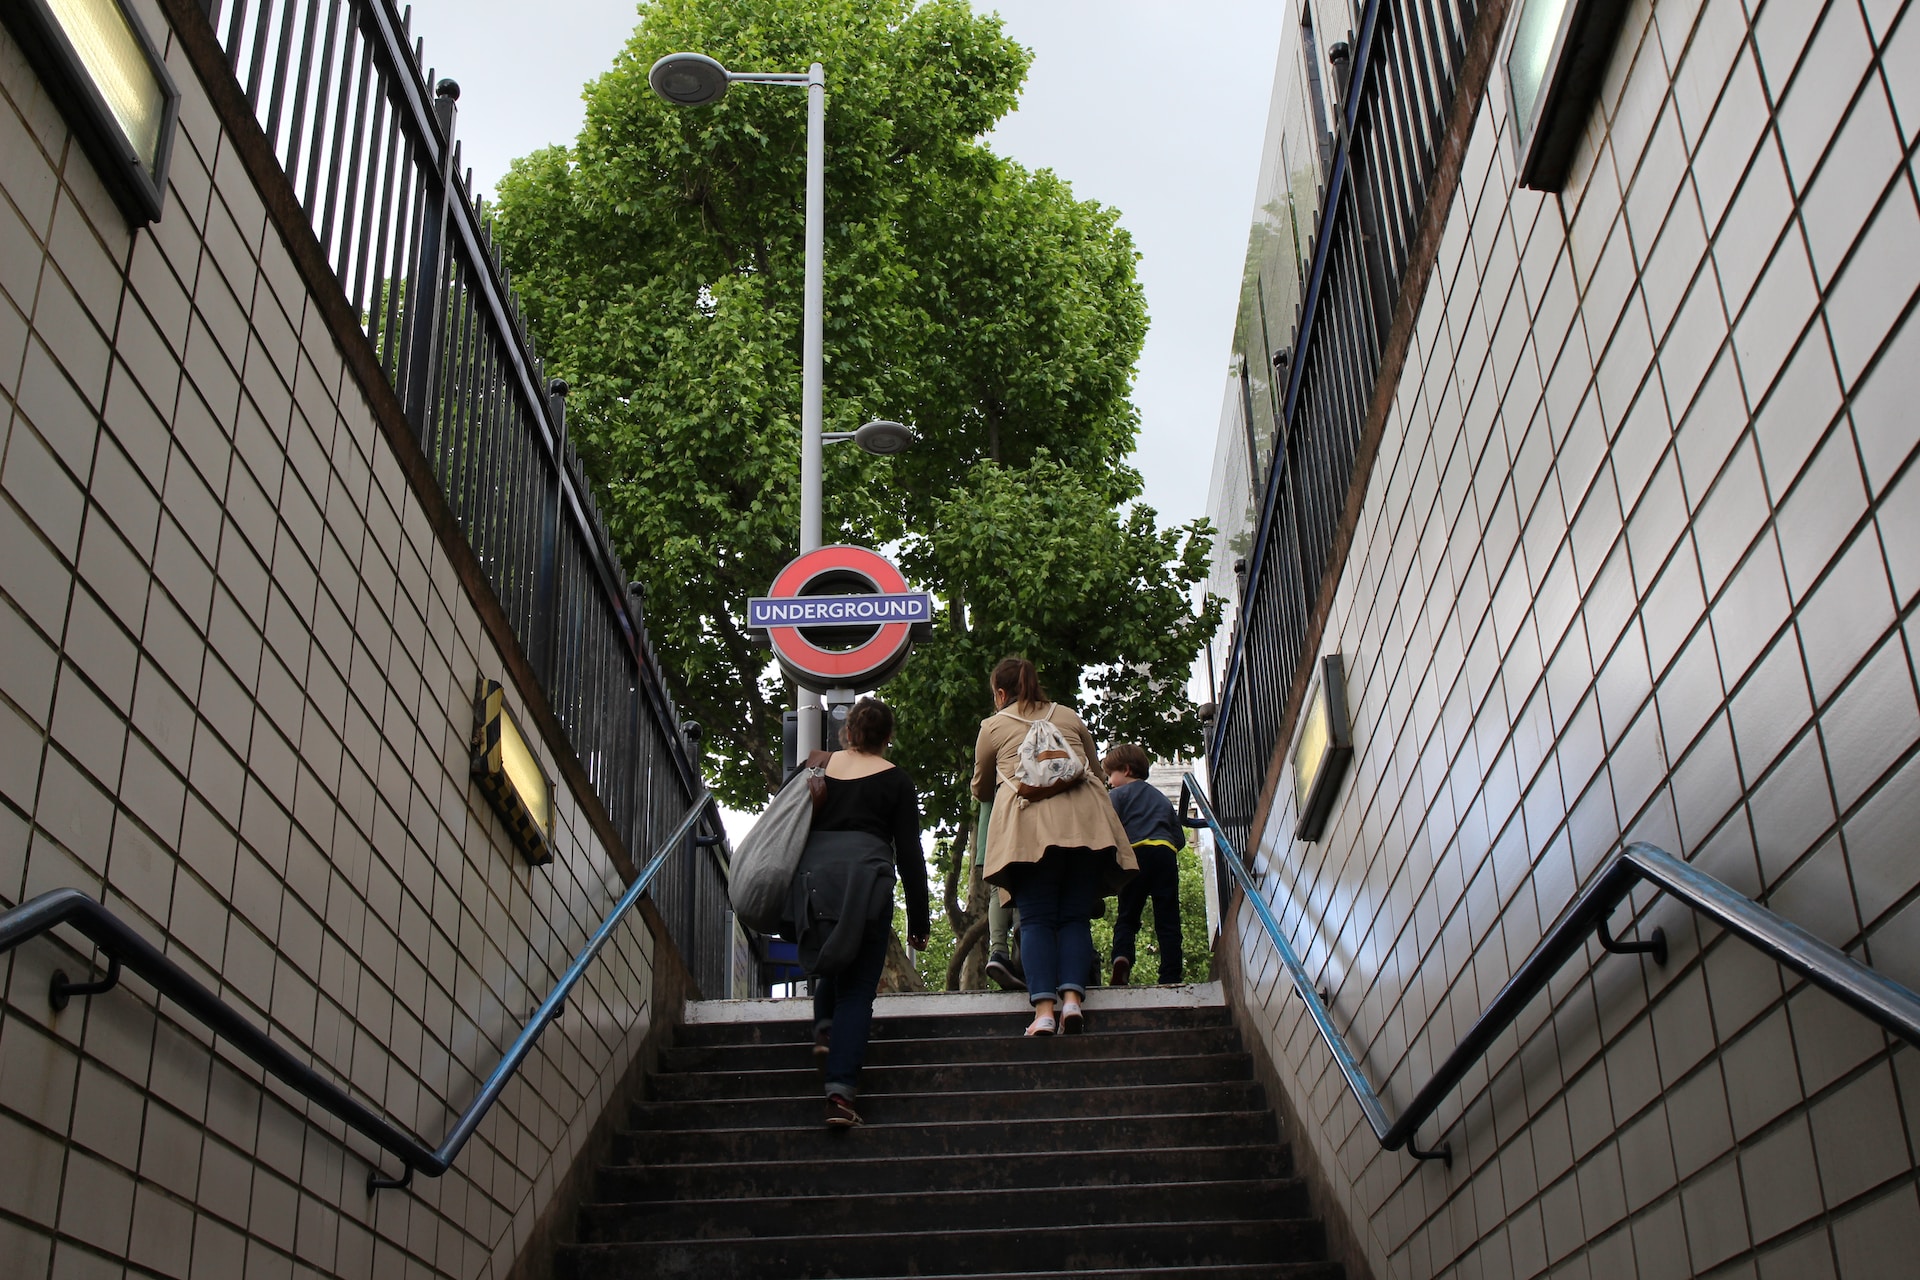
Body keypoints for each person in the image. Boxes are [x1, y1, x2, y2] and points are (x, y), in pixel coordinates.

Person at [972, 657, 1134, 1035]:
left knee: (1036, 920)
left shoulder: (993, 726)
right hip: (1085, 828)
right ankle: (1073, 1002)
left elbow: (981, 787)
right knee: (1075, 917)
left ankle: (1044, 1012)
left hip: (1028, 834)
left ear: (1000, 693)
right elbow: (1093, 768)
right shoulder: (1069, 716)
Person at [788, 697, 929, 1127]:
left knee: (832, 960)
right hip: (868, 884)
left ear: (847, 732)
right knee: (857, 990)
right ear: (888, 737)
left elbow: (787, 825)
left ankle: (824, 1029)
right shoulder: (896, 780)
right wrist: (919, 920)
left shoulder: (815, 768)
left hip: (816, 881)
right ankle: (840, 1096)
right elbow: (910, 854)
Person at [1103, 744, 1184, 985]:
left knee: (1128, 914)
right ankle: (1171, 973)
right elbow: (1179, 838)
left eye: (1110, 775)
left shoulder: (1116, 796)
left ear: (1126, 770)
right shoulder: (1161, 798)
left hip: (1135, 854)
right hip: (1165, 854)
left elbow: (1107, 829)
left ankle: (1122, 957)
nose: (1109, 781)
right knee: (1168, 917)